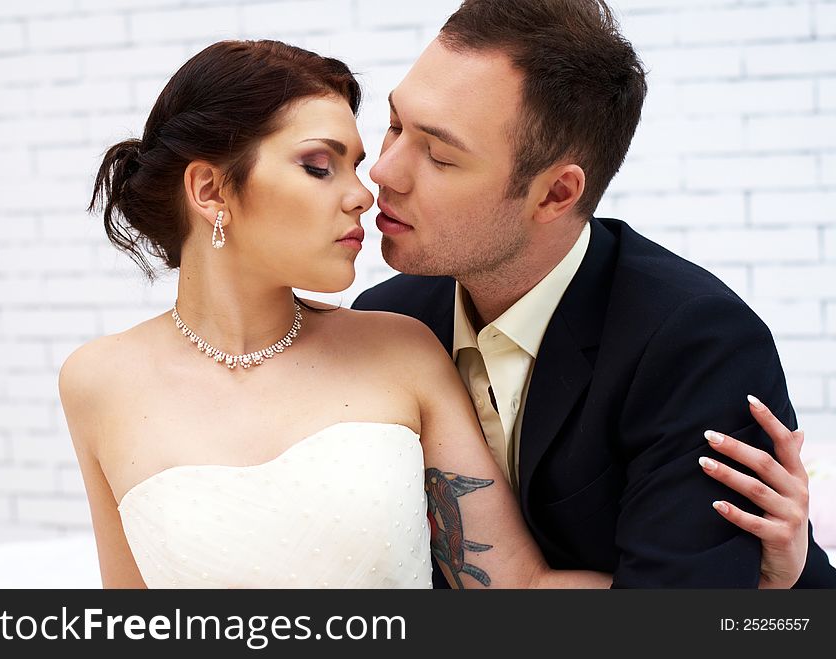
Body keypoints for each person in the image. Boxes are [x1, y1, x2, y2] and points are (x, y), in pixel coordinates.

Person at [60, 39, 808, 590]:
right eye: (326, 164)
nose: (370, 185)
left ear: (556, 191)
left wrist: (768, 589)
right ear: (211, 191)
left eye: (437, 155)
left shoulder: (397, 346)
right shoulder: (96, 382)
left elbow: (512, 591)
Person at [352, 0, 836, 588]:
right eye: (396, 124)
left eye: (440, 155)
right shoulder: (385, 320)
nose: (383, 171)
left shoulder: (695, 346)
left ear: (556, 194)